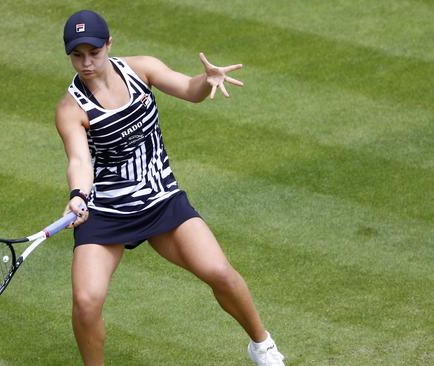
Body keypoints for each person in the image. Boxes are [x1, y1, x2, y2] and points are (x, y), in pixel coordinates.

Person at [55, 10, 285, 366]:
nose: (86, 63)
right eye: (77, 55)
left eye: (94, 53)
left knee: (219, 272)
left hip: (161, 198)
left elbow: (189, 91)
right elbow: (79, 161)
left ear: (109, 45)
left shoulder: (141, 69)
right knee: (86, 304)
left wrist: (206, 81)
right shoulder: (71, 108)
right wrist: (78, 196)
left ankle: (262, 345)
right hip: (107, 212)